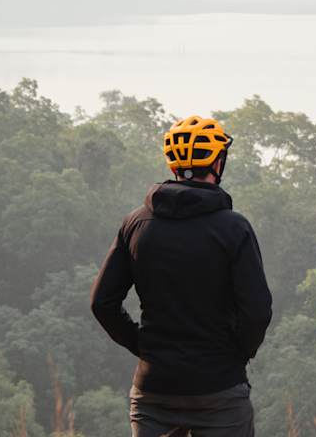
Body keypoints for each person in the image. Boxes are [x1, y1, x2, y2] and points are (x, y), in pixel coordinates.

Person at [90, 115, 272, 436]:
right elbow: (257, 310)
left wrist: (144, 346)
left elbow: (102, 303)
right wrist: (235, 356)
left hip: (154, 390)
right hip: (220, 391)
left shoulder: (135, 224)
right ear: (216, 162)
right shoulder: (234, 228)